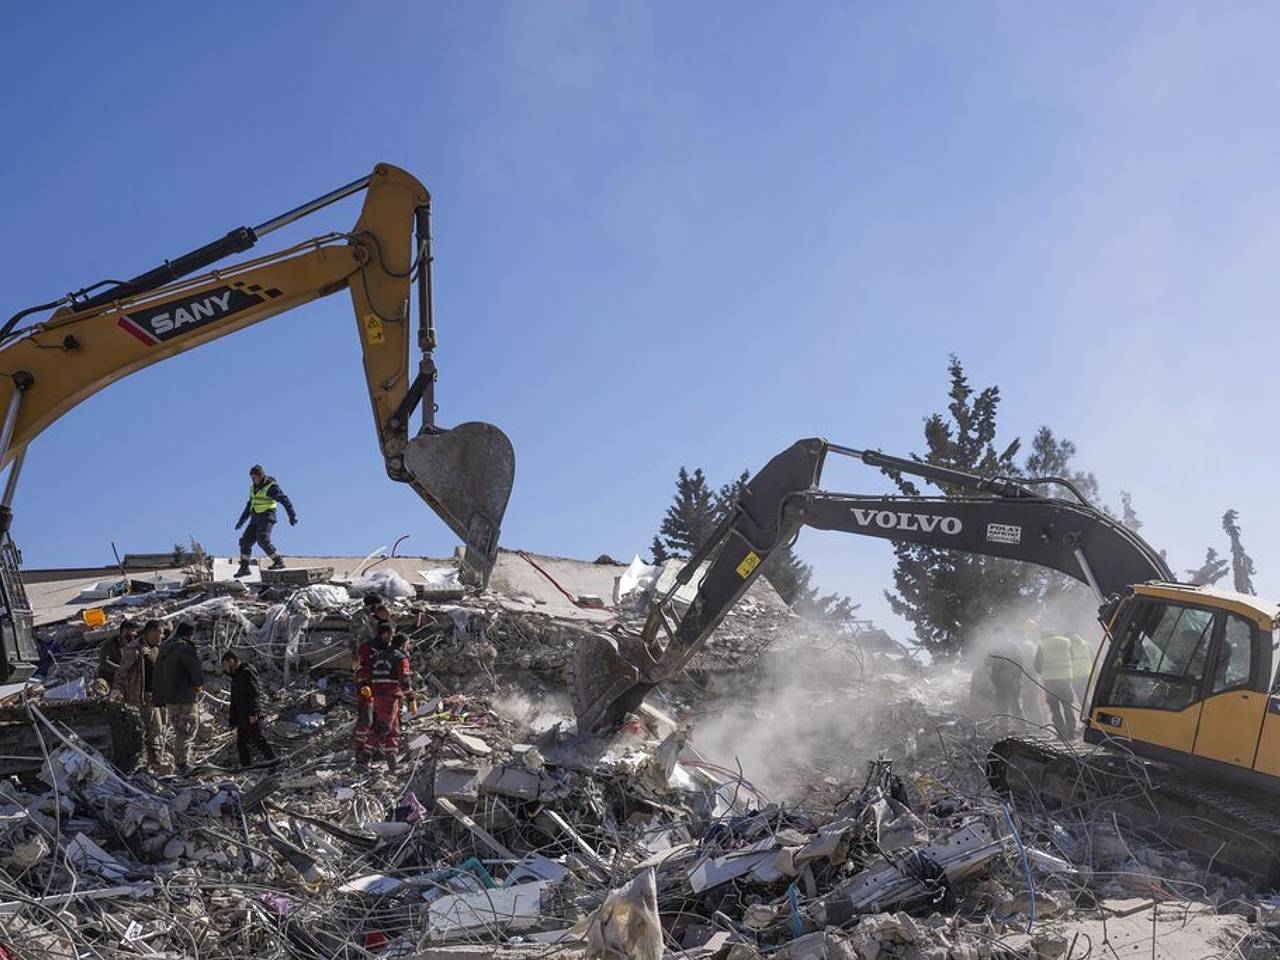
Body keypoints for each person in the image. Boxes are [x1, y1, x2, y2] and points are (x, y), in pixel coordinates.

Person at [355, 622, 414, 769]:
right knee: (383, 727)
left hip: (378, 694)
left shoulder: (379, 654)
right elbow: (405, 679)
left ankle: (391, 759)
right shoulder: (400, 657)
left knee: (393, 728)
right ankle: (364, 757)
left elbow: (366, 671)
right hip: (390, 695)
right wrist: (411, 698)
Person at [113, 619, 168, 772]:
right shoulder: (135, 649)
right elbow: (122, 671)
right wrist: (116, 689)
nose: (161, 637)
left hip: (159, 695)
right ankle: (154, 762)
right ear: (150, 632)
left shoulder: (157, 648)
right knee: (152, 728)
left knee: (160, 727)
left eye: (162, 634)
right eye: (159, 633)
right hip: (142, 696)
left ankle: (154, 761)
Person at [153, 621, 205, 775]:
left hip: (170, 698)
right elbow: (195, 669)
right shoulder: (184, 648)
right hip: (185, 696)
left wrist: (159, 695)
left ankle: (182, 759)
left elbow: (158, 673)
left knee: (179, 729)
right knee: (187, 730)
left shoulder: (164, 648)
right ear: (190, 634)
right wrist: (198, 684)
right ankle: (183, 763)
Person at [234, 464, 297, 577]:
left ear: (261, 476)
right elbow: (250, 504)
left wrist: (291, 515)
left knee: (262, 539)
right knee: (245, 541)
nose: (253, 480)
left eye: (255, 477)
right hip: (255, 517)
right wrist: (242, 519)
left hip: (267, 516)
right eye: (251, 477)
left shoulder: (271, 487)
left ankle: (278, 561)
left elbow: (284, 500)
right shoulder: (252, 488)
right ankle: (244, 567)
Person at [222, 652, 277, 770]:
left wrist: (253, 713)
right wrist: (233, 720)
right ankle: (246, 768)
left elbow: (254, 693)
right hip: (242, 716)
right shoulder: (236, 676)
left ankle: (274, 763)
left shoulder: (247, 672)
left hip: (251, 715)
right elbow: (235, 699)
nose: (225, 668)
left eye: (226, 665)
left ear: (231, 661)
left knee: (259, 740)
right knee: (241, 744)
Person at [1034, 630, 1077, 741]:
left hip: (1050, 681)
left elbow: (1036, 665)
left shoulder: (1042, 644)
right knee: (1068, 706)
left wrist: (1044, 672)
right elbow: (1072, 657)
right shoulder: (1066, 642)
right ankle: (1071, 734)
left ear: (1044, 636)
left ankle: (1061, 734)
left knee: (1055, 709)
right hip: (1065, 679)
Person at [987, 633, 1024, 722]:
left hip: (1011, 682)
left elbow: (1019, 663)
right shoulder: (994, 649)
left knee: (1014, 706)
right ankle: (1004, 728)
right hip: (999, 684)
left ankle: (1022, 728)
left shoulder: (1012, 647)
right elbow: (988, 663)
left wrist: (1017, 679)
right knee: (1002, 708)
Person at [97, 619, 137, 687]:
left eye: (133, 631)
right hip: (108, 676)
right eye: (130, 631)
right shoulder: (110, 644)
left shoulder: (133, 643)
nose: (133, 634)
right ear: (123, 631)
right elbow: (104, 661)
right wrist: (120, 669)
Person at [1070, 633, 1094, 707]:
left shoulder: (1070, 648)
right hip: (1088, 674)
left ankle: (1087, 712)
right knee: (1088, 695)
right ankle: (1089, 711)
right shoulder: (1087, 645)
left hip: (1076, 676)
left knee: (1081, 696)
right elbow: (1094, 659)